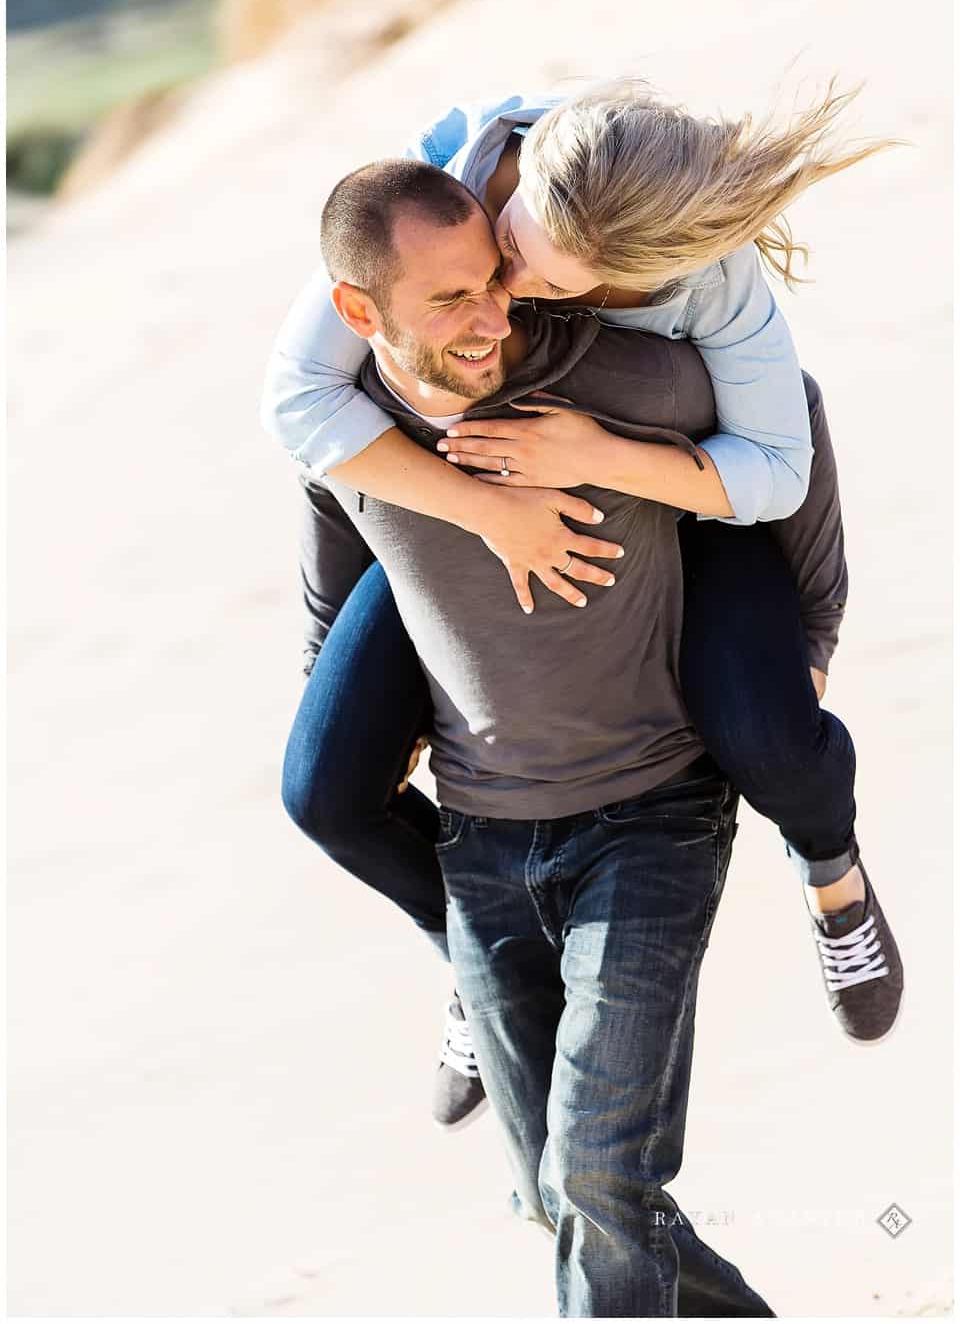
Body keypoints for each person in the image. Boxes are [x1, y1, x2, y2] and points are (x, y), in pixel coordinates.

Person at [266, 81, 903, 1131]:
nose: (503, 287)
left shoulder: (703, 290)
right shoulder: (455, 183)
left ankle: (833, 878)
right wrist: (480, 519)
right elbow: (306, 413)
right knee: (325, 788)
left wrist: (607, 457)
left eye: (540, 279)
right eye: (508, 245)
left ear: (623, 283)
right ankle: (466, 956)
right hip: (459, 525)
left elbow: (787, 455)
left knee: (768, 735)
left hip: (692, 511)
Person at [288, 156, 778, 1316]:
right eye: (447, 300)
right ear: (360, 314)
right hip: (484, 845)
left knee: (603, 1172)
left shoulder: (616, 381)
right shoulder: (345, 433)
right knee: (559, 1198)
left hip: (652, 821)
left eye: (493, 283)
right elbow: (331, 586)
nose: (489, 319)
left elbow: (786, 450)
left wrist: (807, 635)